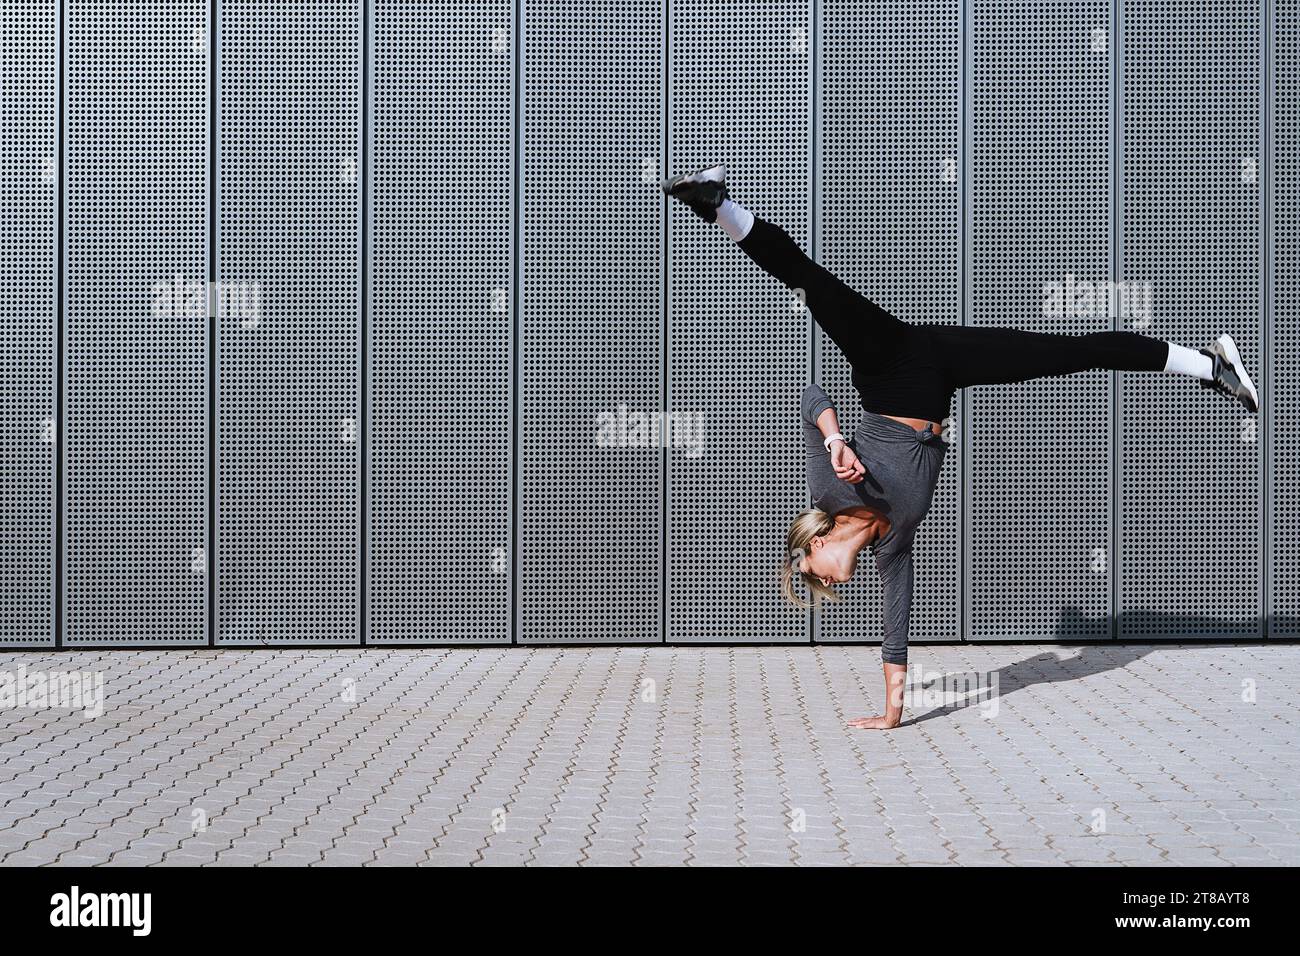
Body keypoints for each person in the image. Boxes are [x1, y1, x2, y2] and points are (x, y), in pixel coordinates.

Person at [663, 163, 1260, 729]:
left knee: (811, 282)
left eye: (814, 575)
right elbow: (895, 629)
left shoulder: (829, 488)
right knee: (1068, 354)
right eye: (822, 587)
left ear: (817, 542)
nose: (828, 585)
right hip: (939, 375)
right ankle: (1208, 365)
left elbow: (812, 395)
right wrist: (893, 713)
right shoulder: (891, 546)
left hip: (888, 366)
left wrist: (835, 436)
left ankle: (713, 203)